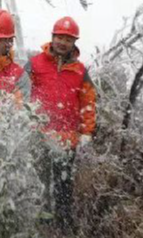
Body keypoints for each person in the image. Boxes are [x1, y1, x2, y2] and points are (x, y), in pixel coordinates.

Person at [24, 16, 97, 233]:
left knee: (63, 184)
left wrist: (87, 130)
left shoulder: (80, 71)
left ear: (74, 42)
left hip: (66, 138)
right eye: (59, 37)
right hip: (37, 135)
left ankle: (65, 223)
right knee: (39, 181)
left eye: (68, 39)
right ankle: (42, 224)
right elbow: (20, 90)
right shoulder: (35, 63)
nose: (62, 42)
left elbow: (88, 101)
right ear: (52, 37)